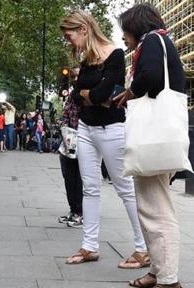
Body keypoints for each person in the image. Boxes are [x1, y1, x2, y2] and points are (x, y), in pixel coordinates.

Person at [60, 10, 148, 267]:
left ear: (83, 30)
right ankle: (90, 246)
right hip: (86, 127)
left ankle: (142, 248)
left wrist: (90, 94)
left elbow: (101, 94)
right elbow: (77, 96)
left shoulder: (116, 54)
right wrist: (90, 94)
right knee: (90, 188)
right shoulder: (87, 59)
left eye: (69, 36)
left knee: (125, 189)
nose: (69, 42)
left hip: (112, 129)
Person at [114, 3, 186, 288]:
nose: (124, 39)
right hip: (158, 138)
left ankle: (169, 282)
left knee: (158, 212)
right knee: (149, 208)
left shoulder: (153, 42)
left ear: (135, 26)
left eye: (125, 32)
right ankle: (158, 272)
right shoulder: (158, 41)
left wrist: (130, 91)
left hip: (155, 138)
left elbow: (151, 78)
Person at [58, 66, 83, 228]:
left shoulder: (89, 94)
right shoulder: (72, 95)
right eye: (72, 77)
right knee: (68, 177)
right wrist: (64, 130)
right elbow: (65, 115)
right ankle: (73, 210)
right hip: (68, 141)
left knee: (79, 179)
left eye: (77, 76)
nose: (74, 79)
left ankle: (81, 213)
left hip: (84, 141)